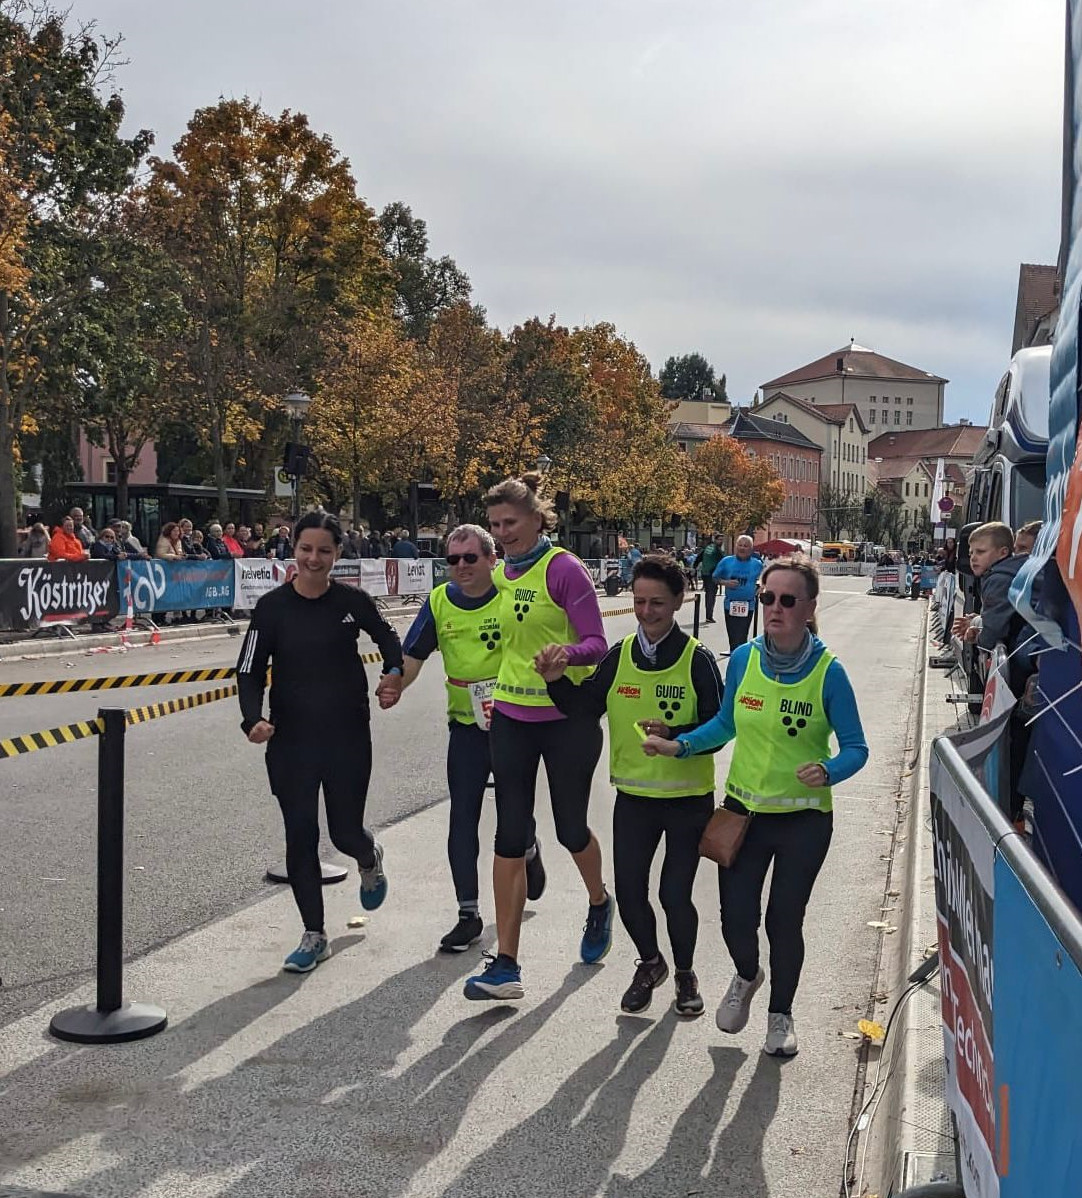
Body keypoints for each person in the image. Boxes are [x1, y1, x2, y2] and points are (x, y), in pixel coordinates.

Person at [644, 556, 868, 1056]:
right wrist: (680, 745)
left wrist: (829, 769)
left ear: (810, 607)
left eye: (788, 600)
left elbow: (857, 748)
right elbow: (724, 724)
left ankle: (781, 1016)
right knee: (734, 919)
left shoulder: (829, 673)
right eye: (768, 597)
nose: (775, 608)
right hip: (742, 814)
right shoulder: (743, 658)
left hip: (804, 819)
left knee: (783, 921)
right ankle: (747, 975)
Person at [539, 555, 725, 1016]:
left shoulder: (697, 660)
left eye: (657, 603)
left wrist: (676, 737)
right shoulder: (619, 656)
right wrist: (556, 682)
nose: (646, 612)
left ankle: (685, 973)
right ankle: (650, 963)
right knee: (631, 891)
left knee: (673, 894)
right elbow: (584, 709)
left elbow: (720, 727)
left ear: (680, 602)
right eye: (639, 601)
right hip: (634, 798)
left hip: (686, 799)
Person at [463, 473, 610, 1002]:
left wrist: (564, 655)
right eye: (496, 525)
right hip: (511, 718)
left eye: (512, 523)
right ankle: (506, 963)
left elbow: (598, 642)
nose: (504, 533)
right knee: (508, 833)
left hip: (566, 718)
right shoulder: (499, 576)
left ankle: (598, 903)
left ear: (537, 520)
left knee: (572, 828)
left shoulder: (564, 570)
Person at [237, 511, 404, 973]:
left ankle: (369, 856)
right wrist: (252, 718)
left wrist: (393, 675)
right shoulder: (271, 608)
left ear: (337, 554)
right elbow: (248, 669)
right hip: (292, 739)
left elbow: (390, 640)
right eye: (306, 549)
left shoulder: (352, 601)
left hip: (347, 733)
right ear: (293, 549)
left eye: (324, 551)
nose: (314, 559)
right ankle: (314, 935)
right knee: (301, 836)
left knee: (344, 832)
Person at [401, 523, 546, 953]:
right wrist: (395, 683)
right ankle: (468, 914)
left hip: (513, 723)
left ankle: (529, 847)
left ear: (491, 559)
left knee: (511, 818)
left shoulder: (509, 593)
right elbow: (413, 655)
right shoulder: (440, 601)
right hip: (465, 725)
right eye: (452, 559)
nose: (461, 566)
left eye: (470, 558)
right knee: (462, 817)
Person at [712, 535, 764, 652]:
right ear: (736, 547)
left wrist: (761, 586)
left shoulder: (757, 564)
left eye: (746, 546)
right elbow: (714, 577)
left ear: (751, 548)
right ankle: (734, 655)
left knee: (742, 634)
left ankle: (740, 656)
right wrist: (725, 582)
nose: (742, 548)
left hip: (748, 604)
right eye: (740, 545)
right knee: (733, 635)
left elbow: (765, 578)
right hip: (730, 604)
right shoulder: (726, 561)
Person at [694, 534, 726, 623]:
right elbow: (723, 561)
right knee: (711, 595)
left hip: (705, 574)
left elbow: (699, 558)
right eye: (719, 539)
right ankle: (709, 616)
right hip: (712, 575)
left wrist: (694, 567)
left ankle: (709, 615)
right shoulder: (717, 550)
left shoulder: (707, 548)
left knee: (709, 594)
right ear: (715, 540)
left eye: (722, 540)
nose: (721, 541)